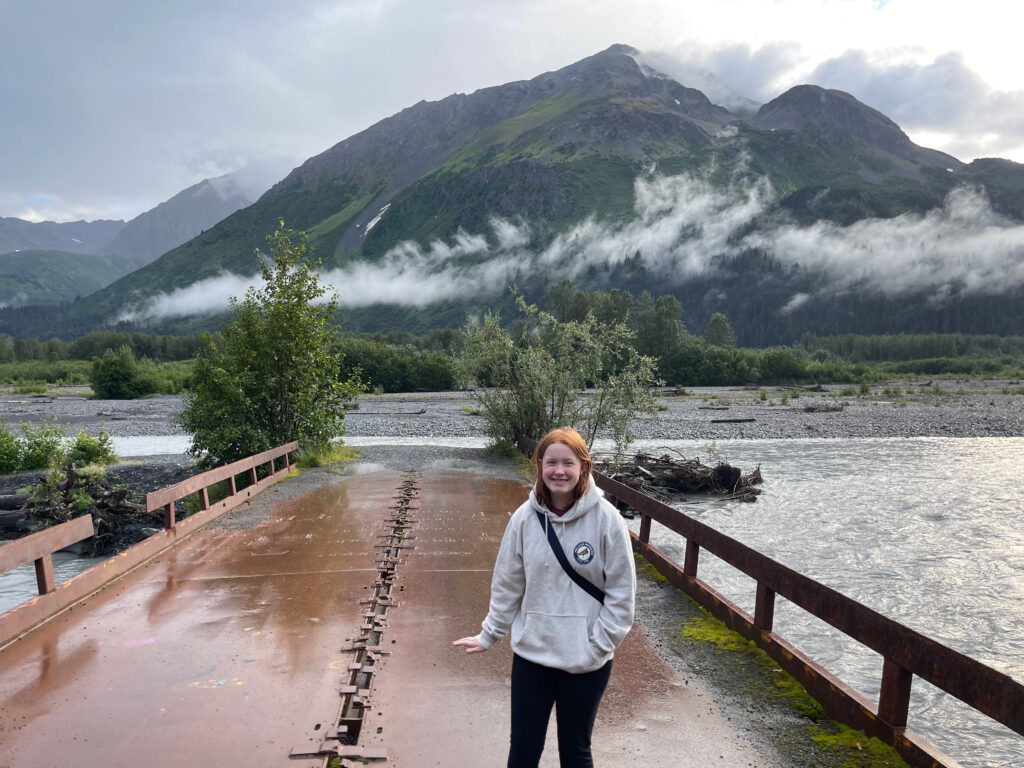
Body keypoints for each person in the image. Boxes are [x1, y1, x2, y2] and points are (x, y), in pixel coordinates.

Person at [453, 427, 636, 768]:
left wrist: (597, 644)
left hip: (586, 661)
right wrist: (489, 634)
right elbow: (508, 583)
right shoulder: (524, 519)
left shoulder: (608, 520)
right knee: (522, 751)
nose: (559, 471)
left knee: (575, 752)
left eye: (568, 463)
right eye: (551, 462)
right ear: (539, 465)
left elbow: (622, 595)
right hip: (533, 658)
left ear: (584, 466)